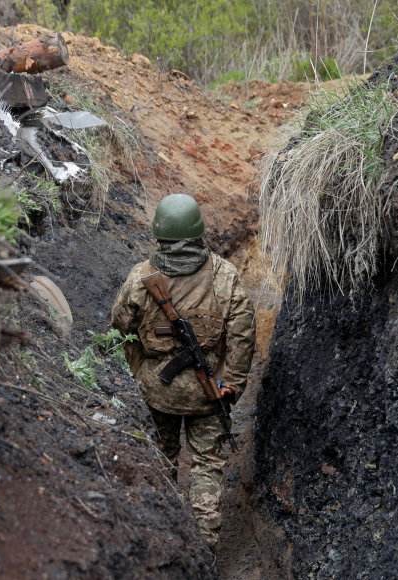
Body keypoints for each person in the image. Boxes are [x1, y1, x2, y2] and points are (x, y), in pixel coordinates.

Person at [110, 193, 256, 547]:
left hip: (156, 390)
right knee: (207, 464)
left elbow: (120, 329)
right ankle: (204, 545)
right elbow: (243, 335)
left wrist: (138, 372)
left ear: (159, 232)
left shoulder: (140, 276)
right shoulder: (225, 276)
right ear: (198, 231)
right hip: (208, 392)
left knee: (162, 457)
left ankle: (163, 536)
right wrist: (230, 383)